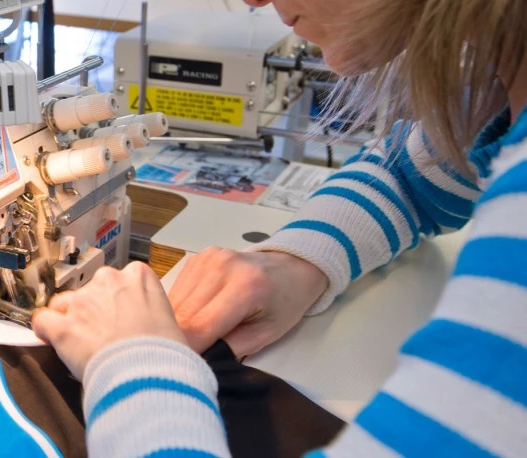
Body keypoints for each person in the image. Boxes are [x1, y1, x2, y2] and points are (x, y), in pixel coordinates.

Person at [33, 0, 527, 456]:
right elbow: (410, 177)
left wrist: (134, 368)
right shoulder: (496, 101)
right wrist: (298, 262)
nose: (250, 1)